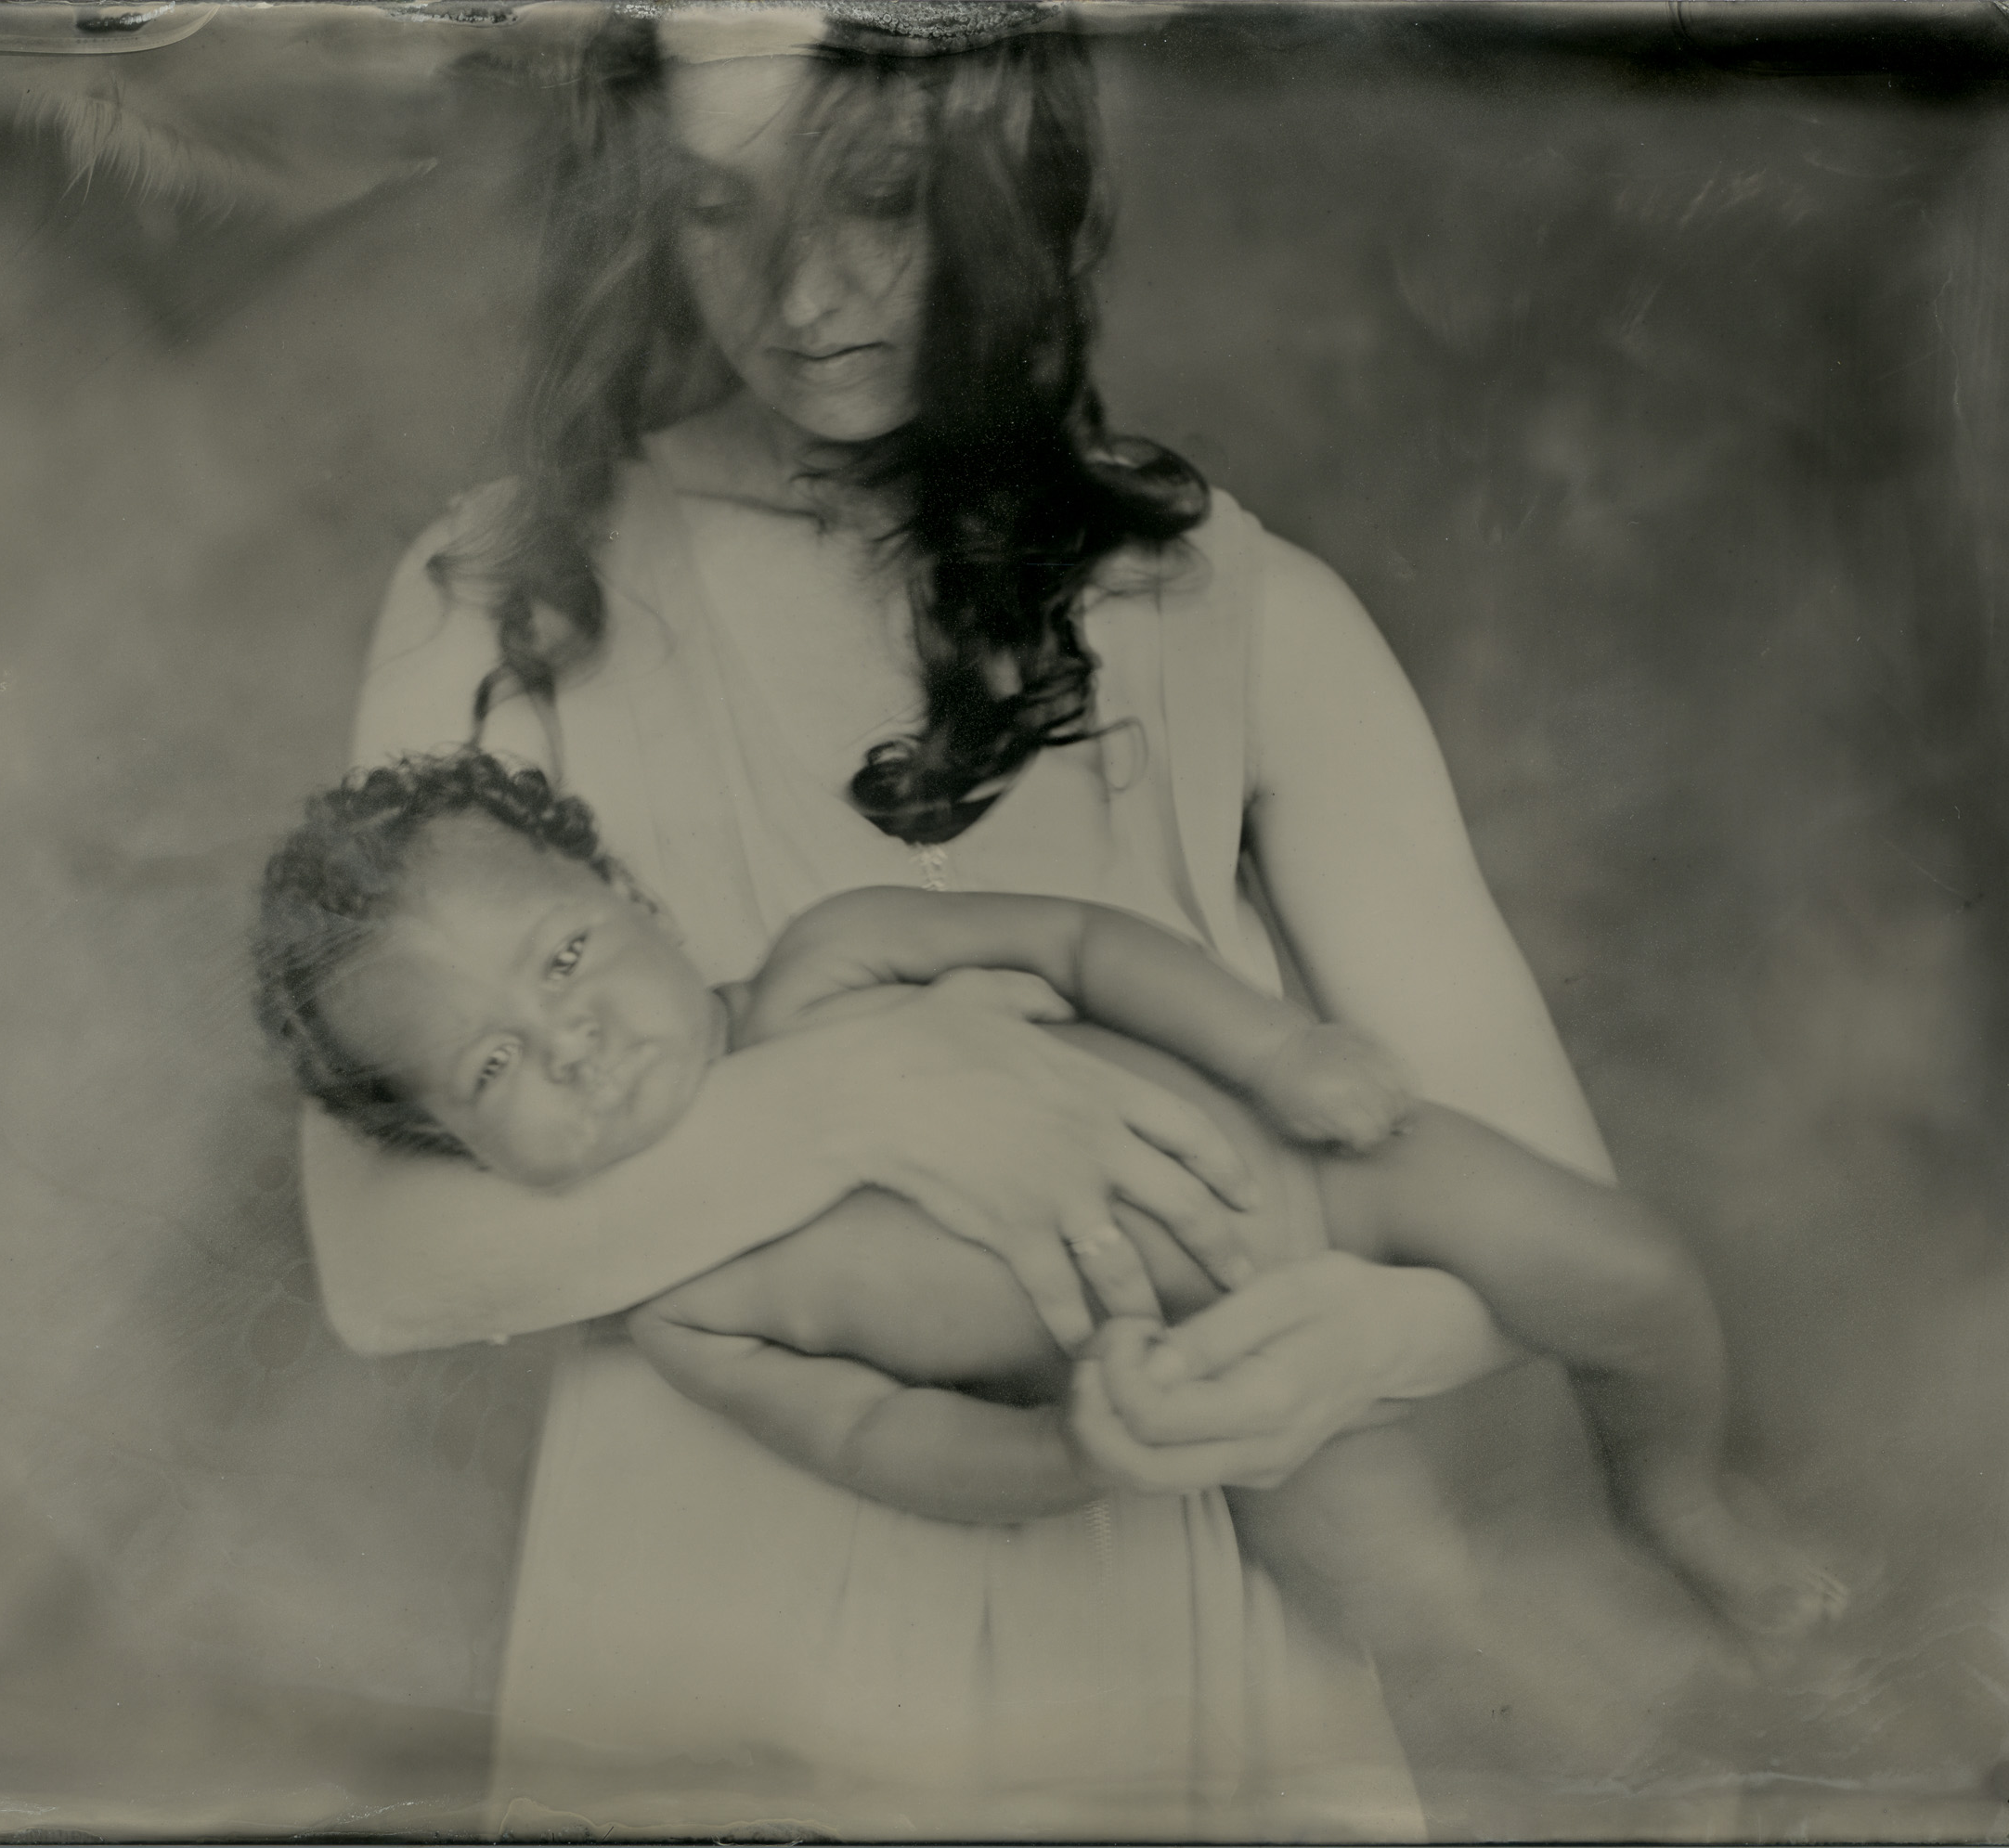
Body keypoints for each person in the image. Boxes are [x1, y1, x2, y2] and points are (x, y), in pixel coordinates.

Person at [299, 5, 1630, 1833]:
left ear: (1005, 184)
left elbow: (1534, 1184)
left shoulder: (1241, 610)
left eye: (877, 197)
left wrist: (1375, 1340)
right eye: (711, 211)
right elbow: (379, 1267)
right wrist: (879, 1093)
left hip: (1167, 1659)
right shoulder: (504, 592)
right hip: (696, 1668)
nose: (796, 289)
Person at [262, 748, 1844, 1638]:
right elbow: (880, 1439)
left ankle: (1676, 1493)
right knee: (1408, 1604)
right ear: (460, 1157)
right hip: (1192, 1381)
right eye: (491, 1070)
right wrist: (1070, 1454)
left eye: (565, 960)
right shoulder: (687, 1302)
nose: (576, 1043)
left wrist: (1282, 1051)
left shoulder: (831, 958)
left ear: (633, 900)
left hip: (1322, 1171)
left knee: (1626, 1275)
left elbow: (1078, 949)